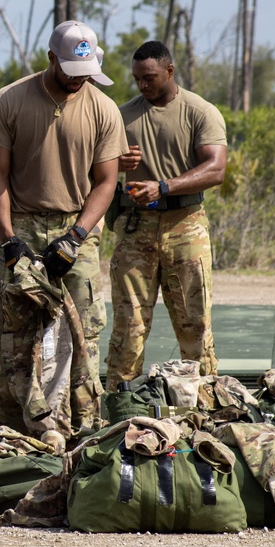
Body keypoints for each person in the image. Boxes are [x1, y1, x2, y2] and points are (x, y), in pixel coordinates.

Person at [0, 20, 128, 439]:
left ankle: (83, 434)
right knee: (13, 332)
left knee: (83, 334)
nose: (77, 81)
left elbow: (105, 183)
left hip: (76, 227)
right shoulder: (9, 101)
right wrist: (9, 238)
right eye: (69, 71)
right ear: (51, 59)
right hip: (23, 225)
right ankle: (12, 434)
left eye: (85, 73)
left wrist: (76, 237)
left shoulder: (103, 109)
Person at [105, 41, 227, 390]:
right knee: (128, 326)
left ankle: (205, 408)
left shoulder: (199, 112)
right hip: (135, 228)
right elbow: (95, 168)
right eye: (137, 79)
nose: (142, 85)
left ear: (170, 71)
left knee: (194, 325)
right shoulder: (120, 115)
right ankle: (120, 408)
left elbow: (215, 169)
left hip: (185, 227)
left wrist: (164, 186)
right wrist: (117, 164)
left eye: (150, 77)